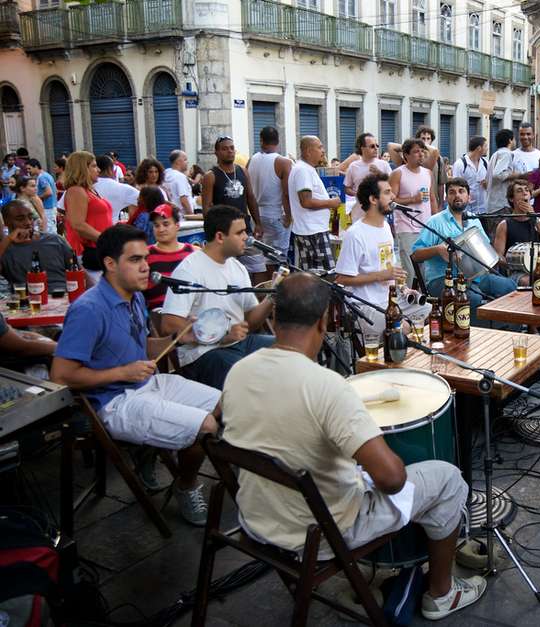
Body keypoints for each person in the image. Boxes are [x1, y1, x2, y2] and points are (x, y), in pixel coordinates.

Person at [220, 272, 486, 619]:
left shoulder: (239, 371)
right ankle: (441, 593)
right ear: (324, 321)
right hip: (318, 534)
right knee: (448, 479)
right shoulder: (327, 386)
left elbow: (216, 424)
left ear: (272, 318)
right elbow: (392, 479)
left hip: (256, 520)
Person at [51, 224, 221, 525]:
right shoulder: (89, 309)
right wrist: (121, 372)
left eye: (145, 258)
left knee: (227, 403)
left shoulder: (135, 297)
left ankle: (158, 458)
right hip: (112, 402)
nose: (146, 267)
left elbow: (142, 345)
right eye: (135, 260)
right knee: (206, 425)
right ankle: (186, 485)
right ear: (110, 263)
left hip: (146, 384)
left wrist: (183, 337)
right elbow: (61, 375)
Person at [160, 205, 276, 390]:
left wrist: (272, 298)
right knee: (244, 372)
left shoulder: (237, 267)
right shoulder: (189, 270)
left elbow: (250, 321)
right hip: (204, 353)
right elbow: (169, 323)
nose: (246, 237)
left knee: (289, 351)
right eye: (240, 232)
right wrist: (220, 336)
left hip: (239, 344)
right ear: (220, 237)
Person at [412, 178, 515, 323]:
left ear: (469, 196)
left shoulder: (473, 219)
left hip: (477, 277)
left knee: (509, 286)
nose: (457, 195)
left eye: (461, 191)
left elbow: (486, 248)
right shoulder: (435, 221)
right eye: (452, 192)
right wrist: (438, 249)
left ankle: (504, 332)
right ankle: (473, 339)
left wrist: (501, 260)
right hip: (443, 280)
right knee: (473, 299)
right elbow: (416, 255)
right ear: (447, 197)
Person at [335, 173, 406, 333]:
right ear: (373, 199)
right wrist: (381, 275)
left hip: (390, 301)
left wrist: (403, 288)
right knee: (405, 328)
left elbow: (389, 268)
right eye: (387, 192)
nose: (393, 196)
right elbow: (341, 279)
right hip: (365, 306)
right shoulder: (355, 234)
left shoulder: (386, 227)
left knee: (428, 312)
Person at [202, 136, 267, 283]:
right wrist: (213, 234)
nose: (229, 151)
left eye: (231, 148)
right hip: (224, 233)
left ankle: (257, 301)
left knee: (258, 267)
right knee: (228, 273)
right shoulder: (210, 176)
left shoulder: (243, 171)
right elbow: (207, 208)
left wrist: (258, 223)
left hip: (245, 230)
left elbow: (250, 197)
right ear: (216, 152)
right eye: (225, 149)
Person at [288, 135, 340, 273]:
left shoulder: (305, 169)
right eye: (319, 147)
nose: (323, 151)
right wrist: (331, 202)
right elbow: (306, 201)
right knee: (326, 276)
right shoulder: (303, 170)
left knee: (311, 276)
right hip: (313, 232)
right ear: (308, 151)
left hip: (310, 230)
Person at [390, 138, 438, 286]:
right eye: (416, 151)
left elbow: (432, 199)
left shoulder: (428, 173)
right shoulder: (398, 173)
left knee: (426, 268)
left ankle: (424, 300)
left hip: (426, 225)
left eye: (422, 151)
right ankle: (408, 299)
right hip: (406, 227)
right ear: (406, 155)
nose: (421, 154)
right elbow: (390, 201)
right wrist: (412, 199)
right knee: (411, 268)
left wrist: (436, 221)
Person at [492, 177, 540, 286]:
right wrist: (517, 262)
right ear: (512, 199)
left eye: (527, 190)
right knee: (528, 281)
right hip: (518, 272)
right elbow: (498, 256)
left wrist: (534, 217)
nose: (524, 193)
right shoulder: (504, 225)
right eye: (519, 191)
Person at [1, 199, 73, 291]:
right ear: (6, 221)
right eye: (20, 219)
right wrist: (9, 239)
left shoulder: (55, 240)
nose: (28, 222)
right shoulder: (5, 247)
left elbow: (78, 271)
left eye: (30, 217)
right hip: (29, 300)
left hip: (63, 295)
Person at [64, 151, 113, 282]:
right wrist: (105, 240)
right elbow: (78, 224)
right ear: (82, 168)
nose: (98, 170)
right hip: (87, 252)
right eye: (93, 166)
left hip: (98, 249)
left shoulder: (89, 190)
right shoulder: (76, 191)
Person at [246, 127, 293, 265]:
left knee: (259, 256)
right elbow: (286, 193)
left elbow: (248, 192)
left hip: (256, 215)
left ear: (261, 140)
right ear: (278, 141)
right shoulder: (283, 162)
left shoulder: (251, 160)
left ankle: (261, 285)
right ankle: (273, 286)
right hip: (275, 214)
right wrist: (289, 216)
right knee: (277, 258)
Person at [142, 204, 196, 311]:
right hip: (155, 315)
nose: (161, 229)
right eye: (156, 225)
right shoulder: (144, 254)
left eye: (166, 224)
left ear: (177, 226)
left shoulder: (193, 252)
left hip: (188, 313)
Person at [343, 132, 392, 224]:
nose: (376, 149)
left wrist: (379, 173)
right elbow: (347, 188)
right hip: (359, 214)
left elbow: (392, 184)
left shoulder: (384, 164)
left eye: (377, 146)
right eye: (372, 146)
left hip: (379, 213)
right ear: (362, 148)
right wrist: (357, 193)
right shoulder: (353, 166)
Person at [93, 154, 139, 224]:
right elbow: (148, 202)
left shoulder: (84, 187)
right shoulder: (123, 188)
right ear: (109, 170)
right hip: (111, 230)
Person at [484, 128, 517, 221]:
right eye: (514, 139)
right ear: (510, 140)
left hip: (492, 205)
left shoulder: (495, 154)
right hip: (501, 205)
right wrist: (515, 176)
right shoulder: (506, 154)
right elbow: (497, 175)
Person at [450, 135, 488, 215]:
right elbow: (455, 186)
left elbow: (489, 185)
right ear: (479, 148)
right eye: (485, 146)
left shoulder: (485, 163)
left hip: (483, 210)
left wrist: (487, 184)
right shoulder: (460, 164)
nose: (487, 148)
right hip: (466, 211)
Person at [25, 159, 57, 235]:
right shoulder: (47, 175)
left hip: (47, 208)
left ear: (36, 167)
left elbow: (49, 192)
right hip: (51, 208)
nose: (28, 171)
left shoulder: (42, 177)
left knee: (48, 232)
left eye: (29, 168)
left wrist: (37, 199)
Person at [164, 150, 194, 214]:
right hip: (182, 216)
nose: (187, 162)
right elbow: (183, 200)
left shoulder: (166, 174)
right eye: (185, 160)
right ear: (178, 162)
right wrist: (191, 215)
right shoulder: (180, 177)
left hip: (171, 214)